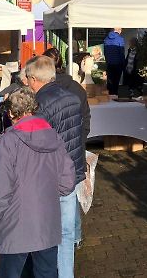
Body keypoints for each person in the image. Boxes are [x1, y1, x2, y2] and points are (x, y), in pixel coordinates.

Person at [0, 87, 75, 278]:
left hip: (15, 223)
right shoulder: (54, 136)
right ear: (33, 108)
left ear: (10, 113)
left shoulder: (7, 142)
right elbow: (67, 183)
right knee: (47, 273)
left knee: (12, 273)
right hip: (47, 222)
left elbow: (0, 190)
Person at [25, 55, 83, 278]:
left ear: (33, 79)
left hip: (49, 176)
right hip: (72, 171)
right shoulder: (72, 97)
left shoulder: (39, 104)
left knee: (46, 234)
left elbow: (35, 144)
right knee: (67, 233)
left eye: (28, 79)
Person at [43, 47, 91, 248]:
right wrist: (80, 138)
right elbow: (86, 119)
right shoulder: (77, 88)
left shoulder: (46, 93)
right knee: (71, 197)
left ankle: (60, 236)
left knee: (57, 197)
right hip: (75, 148)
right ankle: (76, 237)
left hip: (54, 151)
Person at [103, 27, 125, 95]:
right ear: (119, 30)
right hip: (118, 63)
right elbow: (121, 53)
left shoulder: (106, 39)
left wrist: (107, 61)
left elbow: (105, 52)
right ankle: (115, 96)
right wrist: (123, 64)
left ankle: (109, 96)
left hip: (109, 63)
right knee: (116, 82)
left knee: (110, 81)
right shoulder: (120, 39)